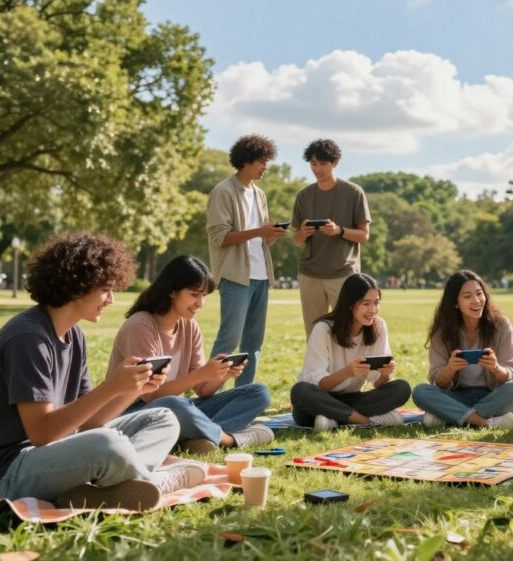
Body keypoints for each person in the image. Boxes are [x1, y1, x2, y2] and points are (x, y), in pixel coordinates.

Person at [0, 233, 203, 511]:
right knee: (106, 444)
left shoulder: (74, 335)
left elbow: (89, 422)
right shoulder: (28, 338)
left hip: (54, 449)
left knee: (164, 418)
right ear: (77, 285)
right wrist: (111, 387)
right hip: (6, 473)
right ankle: (155, 482)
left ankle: (108, 488)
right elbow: (40, 433)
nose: (111, 299)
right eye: (105, 289)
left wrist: (133, 388)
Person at [108, 255, 274, 455]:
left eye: (204, 296)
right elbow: (152, 395)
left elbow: (203, 390)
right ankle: (228, 440)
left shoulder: (189, 325)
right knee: (175, 404)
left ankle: (197, 437)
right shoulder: (141, 325)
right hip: (134, 413)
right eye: (194, 294)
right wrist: (203, 373)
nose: (200, 303)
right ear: (171, 291)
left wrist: (221, 374)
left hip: (175, 409)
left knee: (258, 393)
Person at [206, 134, 287, 385]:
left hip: (261, 276)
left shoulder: (259, 194)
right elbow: (219, 236)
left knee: (253, 343)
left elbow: (258, 239)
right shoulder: (223, 191)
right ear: (246, 161)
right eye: (262, 161)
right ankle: (208, 393)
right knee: (229, 340)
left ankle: (244, 395)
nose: (266, 167)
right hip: (236, 276)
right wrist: (259, 231)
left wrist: (270, 235)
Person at [290, 273, 411, 430]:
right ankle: (364, 421)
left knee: (402, 388)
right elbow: (319, 385)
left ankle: (333, 419)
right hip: (320, 398)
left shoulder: (378, 326)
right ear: (350, 304)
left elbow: (377, 383)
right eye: (366, 304)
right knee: (300, 391)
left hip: (353, 400)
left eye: (376, 303)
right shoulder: (323, 330)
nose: (372, 310)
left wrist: (385, 374)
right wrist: (347, 372)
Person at [411, 270, 513, 430]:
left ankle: (451, 417)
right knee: (420, 391)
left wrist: (496, 368)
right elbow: (437, 382)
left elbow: (512, 373)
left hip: (491, 396)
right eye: (467, 296)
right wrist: (450, 370)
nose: (476, 301)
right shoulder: (442, 332)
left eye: (480, 294)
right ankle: (486, 422)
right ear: (455, 302)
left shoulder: (501, 325)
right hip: (458, 396)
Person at [290, 139, 371, 336]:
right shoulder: (303, 196)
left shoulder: (353, 192)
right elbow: (296, 240)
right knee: (314, 333)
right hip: (310, 274)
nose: (317, 169)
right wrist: (303, 233)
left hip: (343, 274)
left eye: (322, 164)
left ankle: (347, 368)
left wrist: (339, 231)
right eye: (313, 164)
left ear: (335, 162)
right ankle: (318, 368)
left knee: (347, 332)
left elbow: (364, 235)